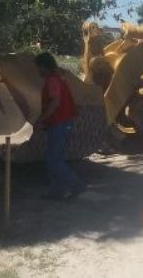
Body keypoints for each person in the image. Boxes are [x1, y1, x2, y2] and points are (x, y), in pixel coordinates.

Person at [33, 52, 86, 200]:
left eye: (39, 67)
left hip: (59, 122)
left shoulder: (52, 80)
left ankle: (76, 185)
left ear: (44, 66)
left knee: (54, 159)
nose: (38, 71)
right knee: (53, 157)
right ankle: (57, 190)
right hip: (60, 122)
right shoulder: (57, 78)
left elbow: (55, 102)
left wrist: (41, 120)